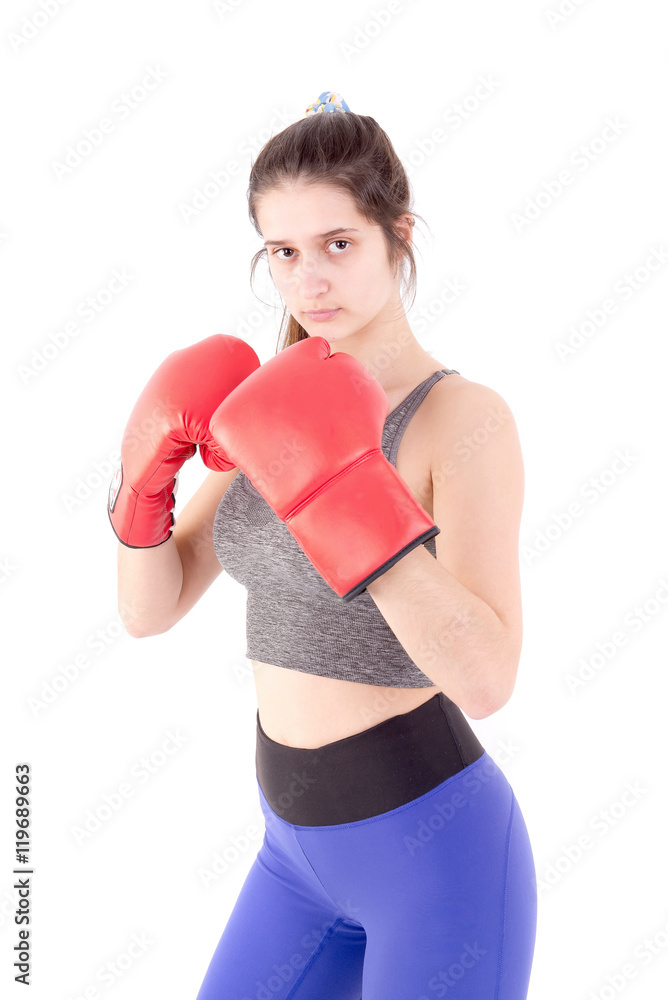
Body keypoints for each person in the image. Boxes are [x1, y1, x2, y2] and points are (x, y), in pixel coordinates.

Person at [109, 91, 537, 999]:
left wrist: (349, 494)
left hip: (438, 857)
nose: (309, 281)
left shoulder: (461, 419)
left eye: (338, 243)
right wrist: (141, 487)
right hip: (291, 858)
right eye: (284, 252)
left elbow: (489, 680)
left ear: (398, 235)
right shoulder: (267, 410)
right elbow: (151, 609)